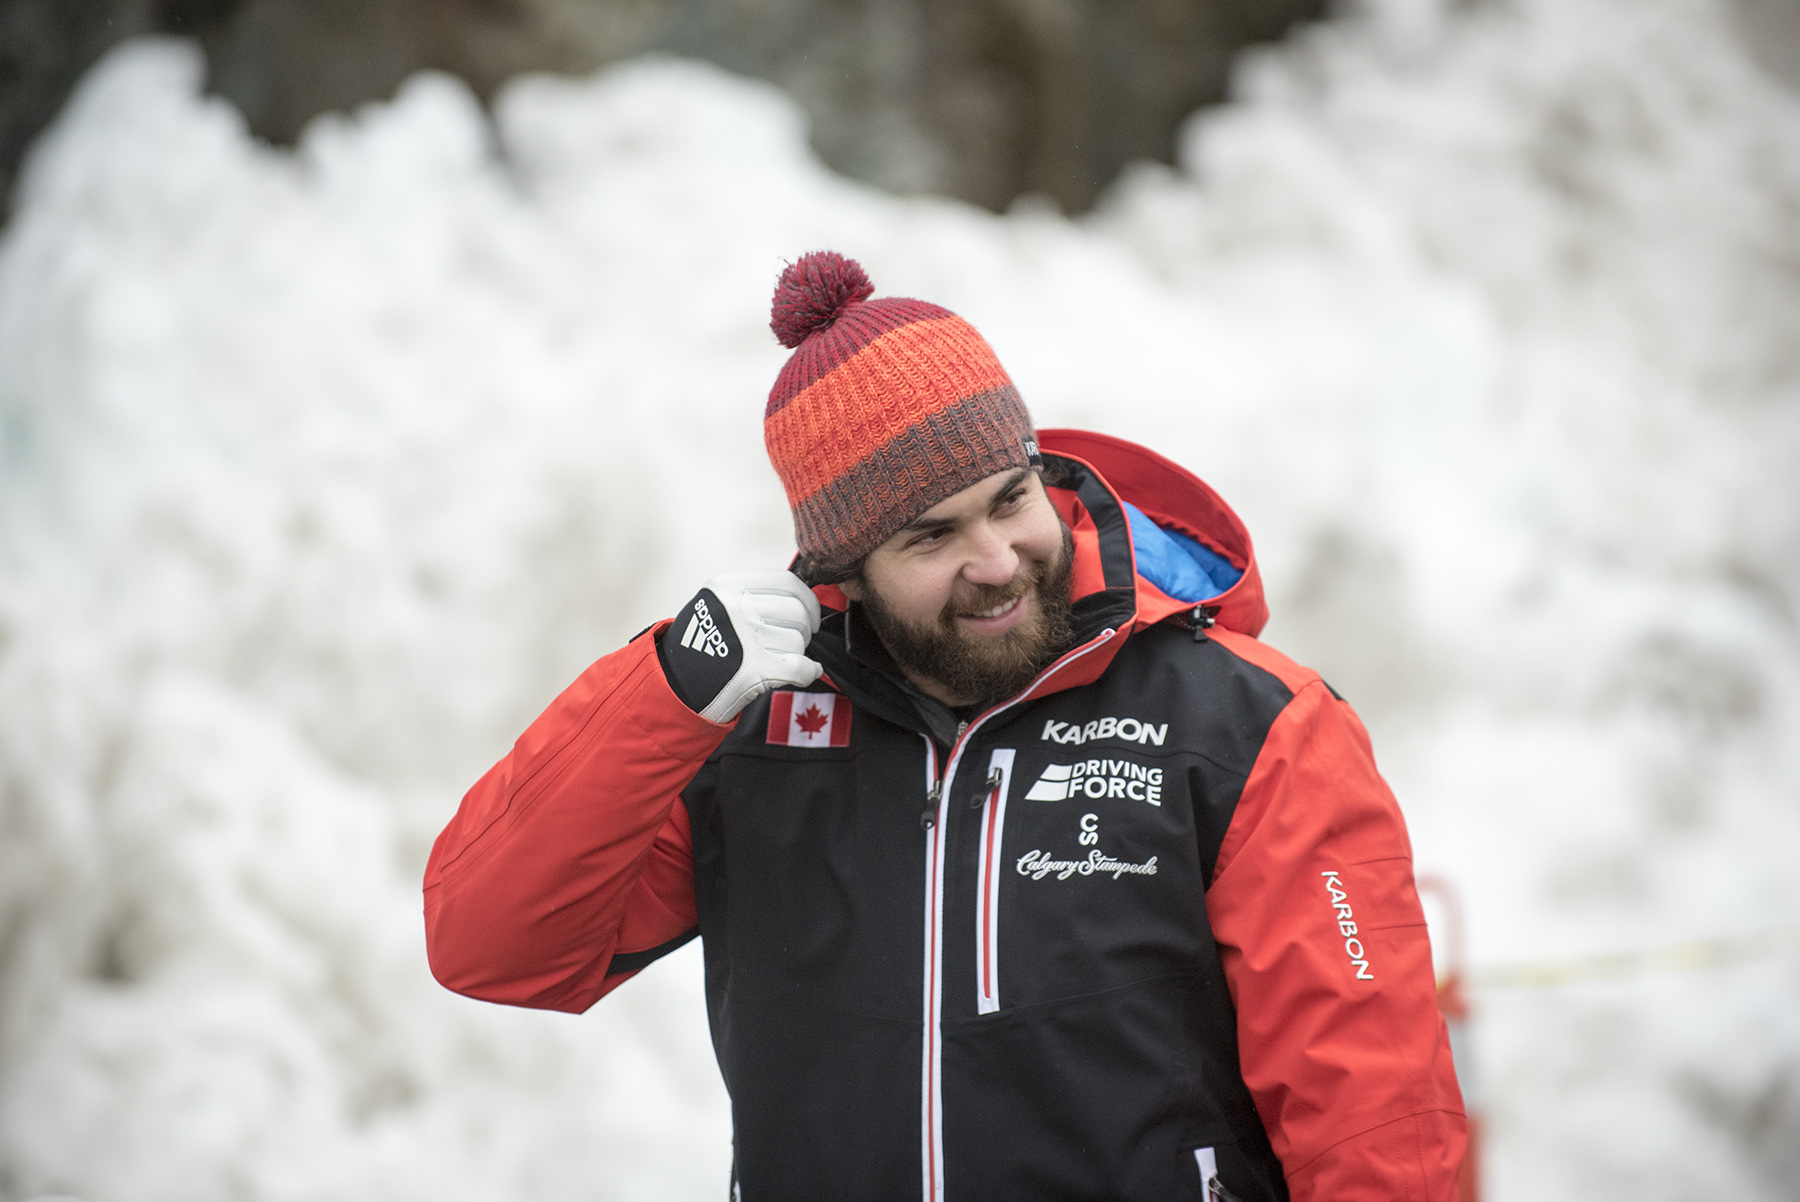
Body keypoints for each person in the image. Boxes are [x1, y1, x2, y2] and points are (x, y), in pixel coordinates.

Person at [423, 252, 1467, 1201]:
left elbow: (1374, 1120)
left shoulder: (1249, 725)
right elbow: (494, 943)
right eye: (931, 535)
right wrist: (663, 686)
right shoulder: (758, 734)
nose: (999, 558)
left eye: (1010, 499)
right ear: (845, 573)